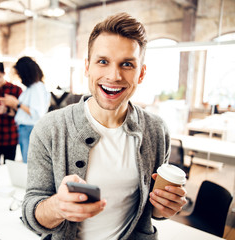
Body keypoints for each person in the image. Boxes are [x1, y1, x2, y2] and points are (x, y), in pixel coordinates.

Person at [21, 13, 187, 240]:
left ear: (141, 74)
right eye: (103, 61)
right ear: (87, 67)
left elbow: (152, 212)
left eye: (127, 64)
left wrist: (164, 207)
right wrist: (58, 206)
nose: (114, 76)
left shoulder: (156, 131)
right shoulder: (50, 129)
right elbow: (32, 213)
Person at [0, 56, 50, 163]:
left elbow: (37, 114)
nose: (19, 77)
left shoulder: (37, 88)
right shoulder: (32, 88)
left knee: (29, 163)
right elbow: (25, 111)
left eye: (19, 74)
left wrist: (16, 103)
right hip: (25, 129)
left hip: (29, 129)